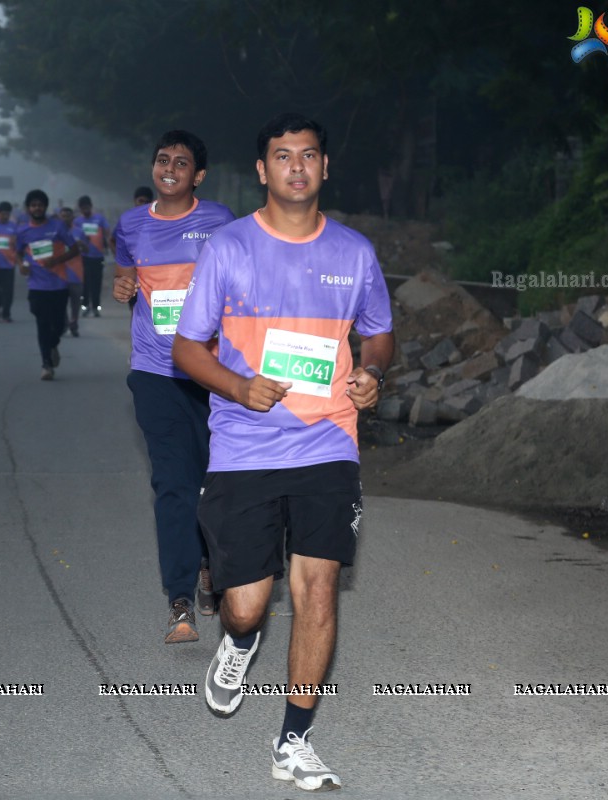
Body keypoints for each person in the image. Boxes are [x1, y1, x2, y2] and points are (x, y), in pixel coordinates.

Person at [171, 112, 393, 792]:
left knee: (318, 587)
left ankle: (294, 740)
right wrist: (239, 386)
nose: (297, 166)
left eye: (309, 155)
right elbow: (186, 347)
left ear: (325, 168)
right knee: (246, 603)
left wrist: (372, 374)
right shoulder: (230, 249)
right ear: (263, 171)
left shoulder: (354, 253)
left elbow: (379, 333)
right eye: (282, 156)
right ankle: (239, 643)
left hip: (329, 440)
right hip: (245, 446)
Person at [112, 130, 234, 643]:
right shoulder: (130, 224)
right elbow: (125, 279)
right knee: (172, 484)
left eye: (180, 163)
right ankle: (179, 598)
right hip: (155, 373)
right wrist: (121, 289)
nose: (169, 169)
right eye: (162, 159)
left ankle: (211, 565)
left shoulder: (221, 223)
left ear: (197, 176)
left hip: (211, 375)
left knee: (214, 482)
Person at [17, 189, 83, 380]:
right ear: (28, 208)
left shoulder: (58, 227)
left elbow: (75, 249)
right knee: (42, 324)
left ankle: (53, 344)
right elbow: (19, 252)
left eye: (40, 205)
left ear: (45, 207)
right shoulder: (23, 231)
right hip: (37, 287)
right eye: (33, 205)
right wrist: (22, 265)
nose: (37, 208)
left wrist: (57, 260)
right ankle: (46, 364)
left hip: (59, 284)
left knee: (58, 326)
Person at [75, 196, 110, 318]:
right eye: (83, 208)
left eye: (87, 207)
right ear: (80, 209)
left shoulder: (99, 219)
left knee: (96, 283)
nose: (85, 210)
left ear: (91, 206)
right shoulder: (78, 222)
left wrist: (108, 244)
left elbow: (107, 232)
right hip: (83, 257)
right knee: (85, 283)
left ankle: (96, 307)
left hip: (97, 256)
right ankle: (86, 306)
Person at [57, 206, 85, 337]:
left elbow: (87, 250)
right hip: (60, 274)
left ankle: (74, 323)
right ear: (59, 217)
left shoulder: (79, 232)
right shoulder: (54, 233)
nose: (65, 218)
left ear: (72, 217)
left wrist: (81, 244)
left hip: (76, 273)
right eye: (63, 216)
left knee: (75, 302)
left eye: (68, 216)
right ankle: (64, 324)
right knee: (60, 302)